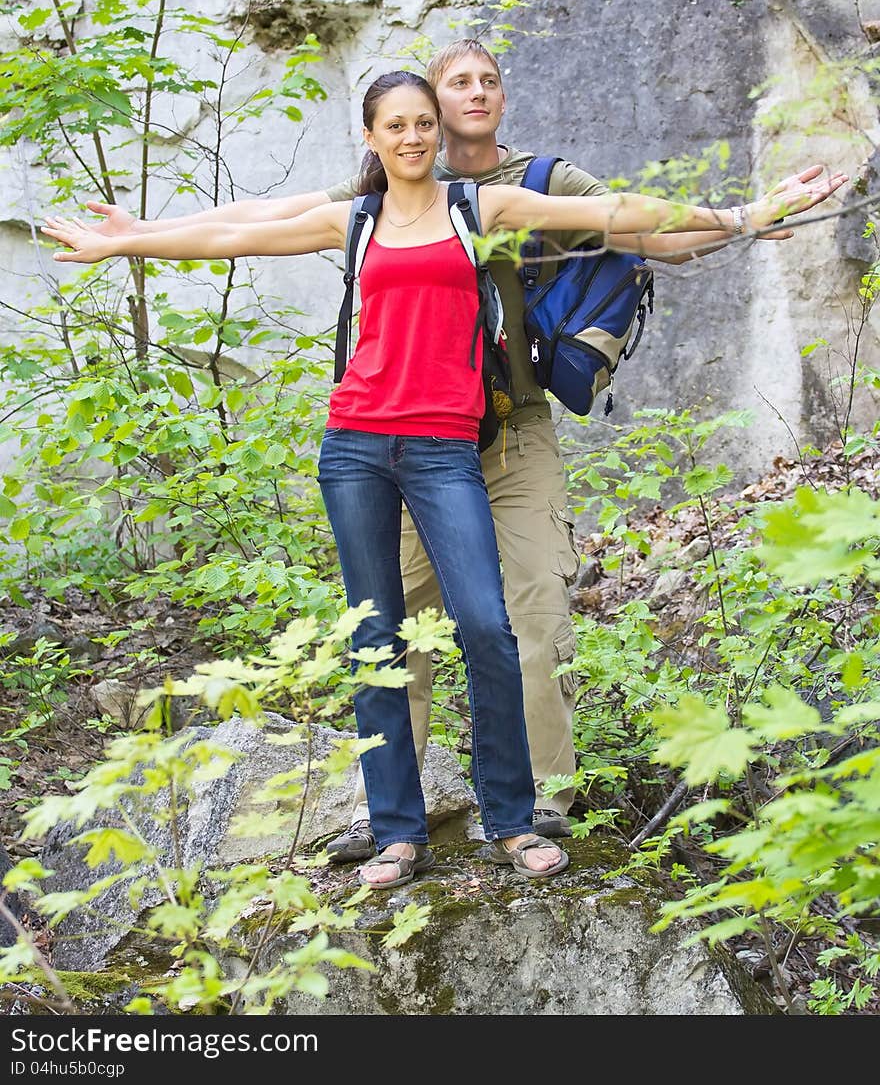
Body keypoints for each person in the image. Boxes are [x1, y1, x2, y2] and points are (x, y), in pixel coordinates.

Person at [79, 44, 849, 865]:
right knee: (385, 631)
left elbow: (627, 215)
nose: (442, 114)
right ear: (389, 128)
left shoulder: (511, 194)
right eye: (419, 110)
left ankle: (528, 808)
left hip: (492, 433)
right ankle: (394, 824)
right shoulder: (370, 204)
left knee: (508, 621)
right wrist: (137, 238)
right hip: (375, 444)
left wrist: (740, 217)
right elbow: (250, 226)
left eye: (482, 83)